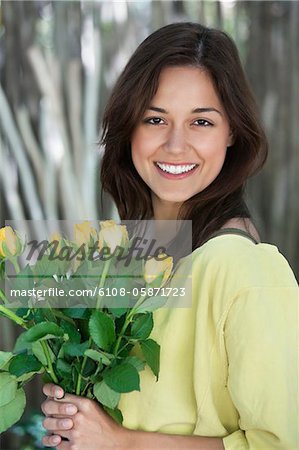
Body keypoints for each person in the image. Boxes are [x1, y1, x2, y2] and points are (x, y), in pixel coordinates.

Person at [41, 22, 298, 449]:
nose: (176, 145)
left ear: (232, 131)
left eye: (201, 121)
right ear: (130, 128)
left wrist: (122, 442)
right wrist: (77, 415)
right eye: (155, 118)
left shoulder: (244, 269)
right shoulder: (129, 266)